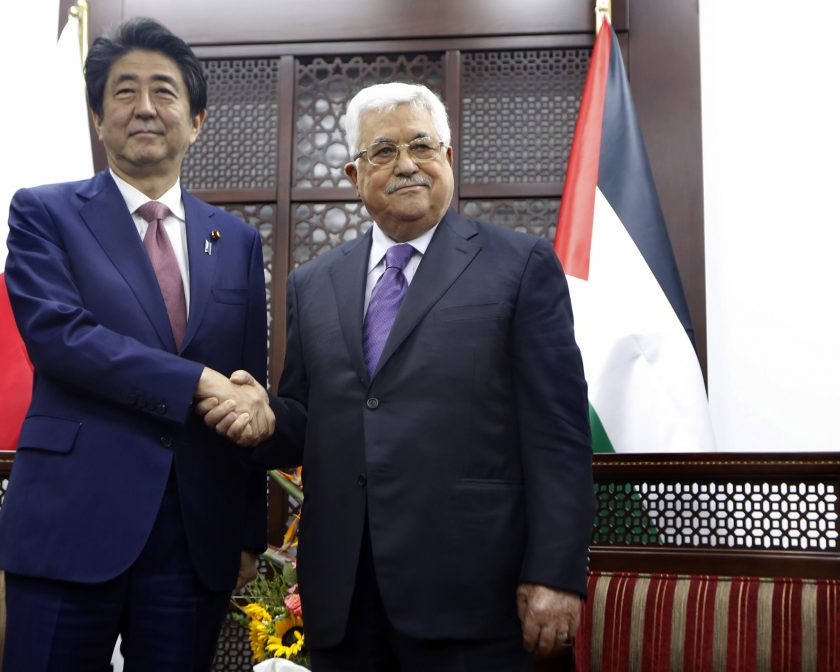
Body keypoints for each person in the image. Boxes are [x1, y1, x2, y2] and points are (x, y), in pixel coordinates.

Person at [200, 82, 594, 671]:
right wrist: (265, 418)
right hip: (346, 598)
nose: (406, 164)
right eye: (383, 152)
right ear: (355, 175)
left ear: (448, 160)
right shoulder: (313, 284)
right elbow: (310, 420)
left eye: (422, 147)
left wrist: (555, 573)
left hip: (475, 598)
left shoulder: (520, 266)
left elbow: (559, 435)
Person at [0, 18, 275, 671]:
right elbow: (61, 338)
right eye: (124, 92)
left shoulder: (237, 241)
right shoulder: (45, 214)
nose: (145, 107)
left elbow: (247, 388)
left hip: (193, 535)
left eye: (165, 91)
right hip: (69, 520)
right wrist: (196, 383)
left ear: (196, 120)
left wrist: (247, 532)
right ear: (97, 117)